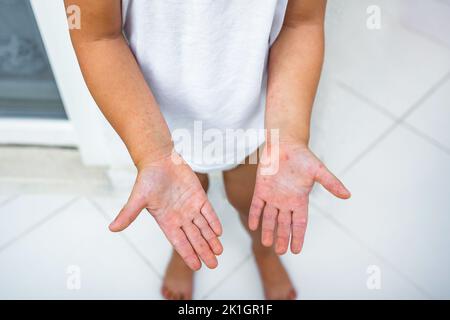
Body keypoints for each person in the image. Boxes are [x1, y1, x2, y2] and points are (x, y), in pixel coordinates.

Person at [66, 0, 350, 300]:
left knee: (254, 201)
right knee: (183, 201)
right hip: (156, 126)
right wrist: (152, 152)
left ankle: (262, 251)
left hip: (255, 112)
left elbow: (300, 23)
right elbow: (96, 36)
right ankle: (185, 244)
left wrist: (290, 136)